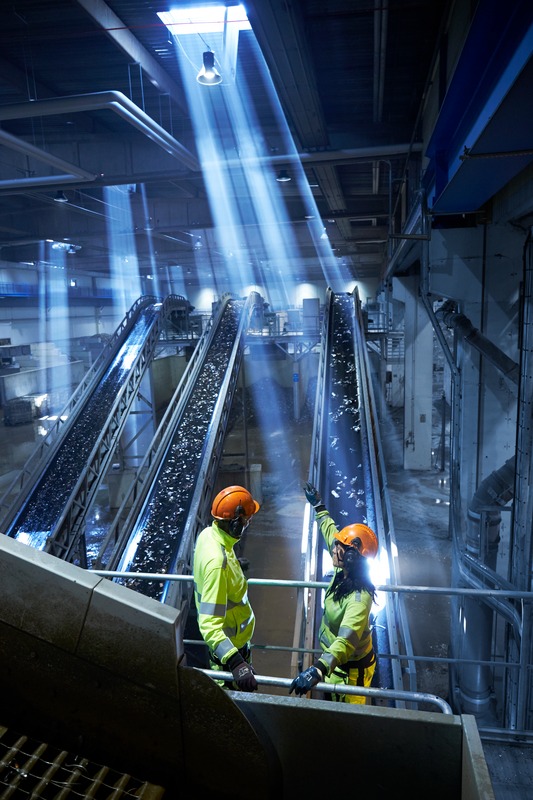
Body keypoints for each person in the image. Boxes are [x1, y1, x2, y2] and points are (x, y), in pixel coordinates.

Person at [290, 481, 378, 704]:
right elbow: (330, 531)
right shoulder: (345, 572)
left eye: (339, 545)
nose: (333, 545)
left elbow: (345, 642)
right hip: (335, 665)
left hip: (352, 673)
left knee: (350, 719)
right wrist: (319, 507)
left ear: (350, 557)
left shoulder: (359, 598)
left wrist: (317, 670)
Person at [193, 485, 260, 692]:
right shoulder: (217, 564)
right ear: (234, 524)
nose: (248, 523)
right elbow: (209, 625)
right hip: (228, 655)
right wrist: (237, 664)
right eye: (245, 520)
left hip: (236, 645)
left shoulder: (208, 535)